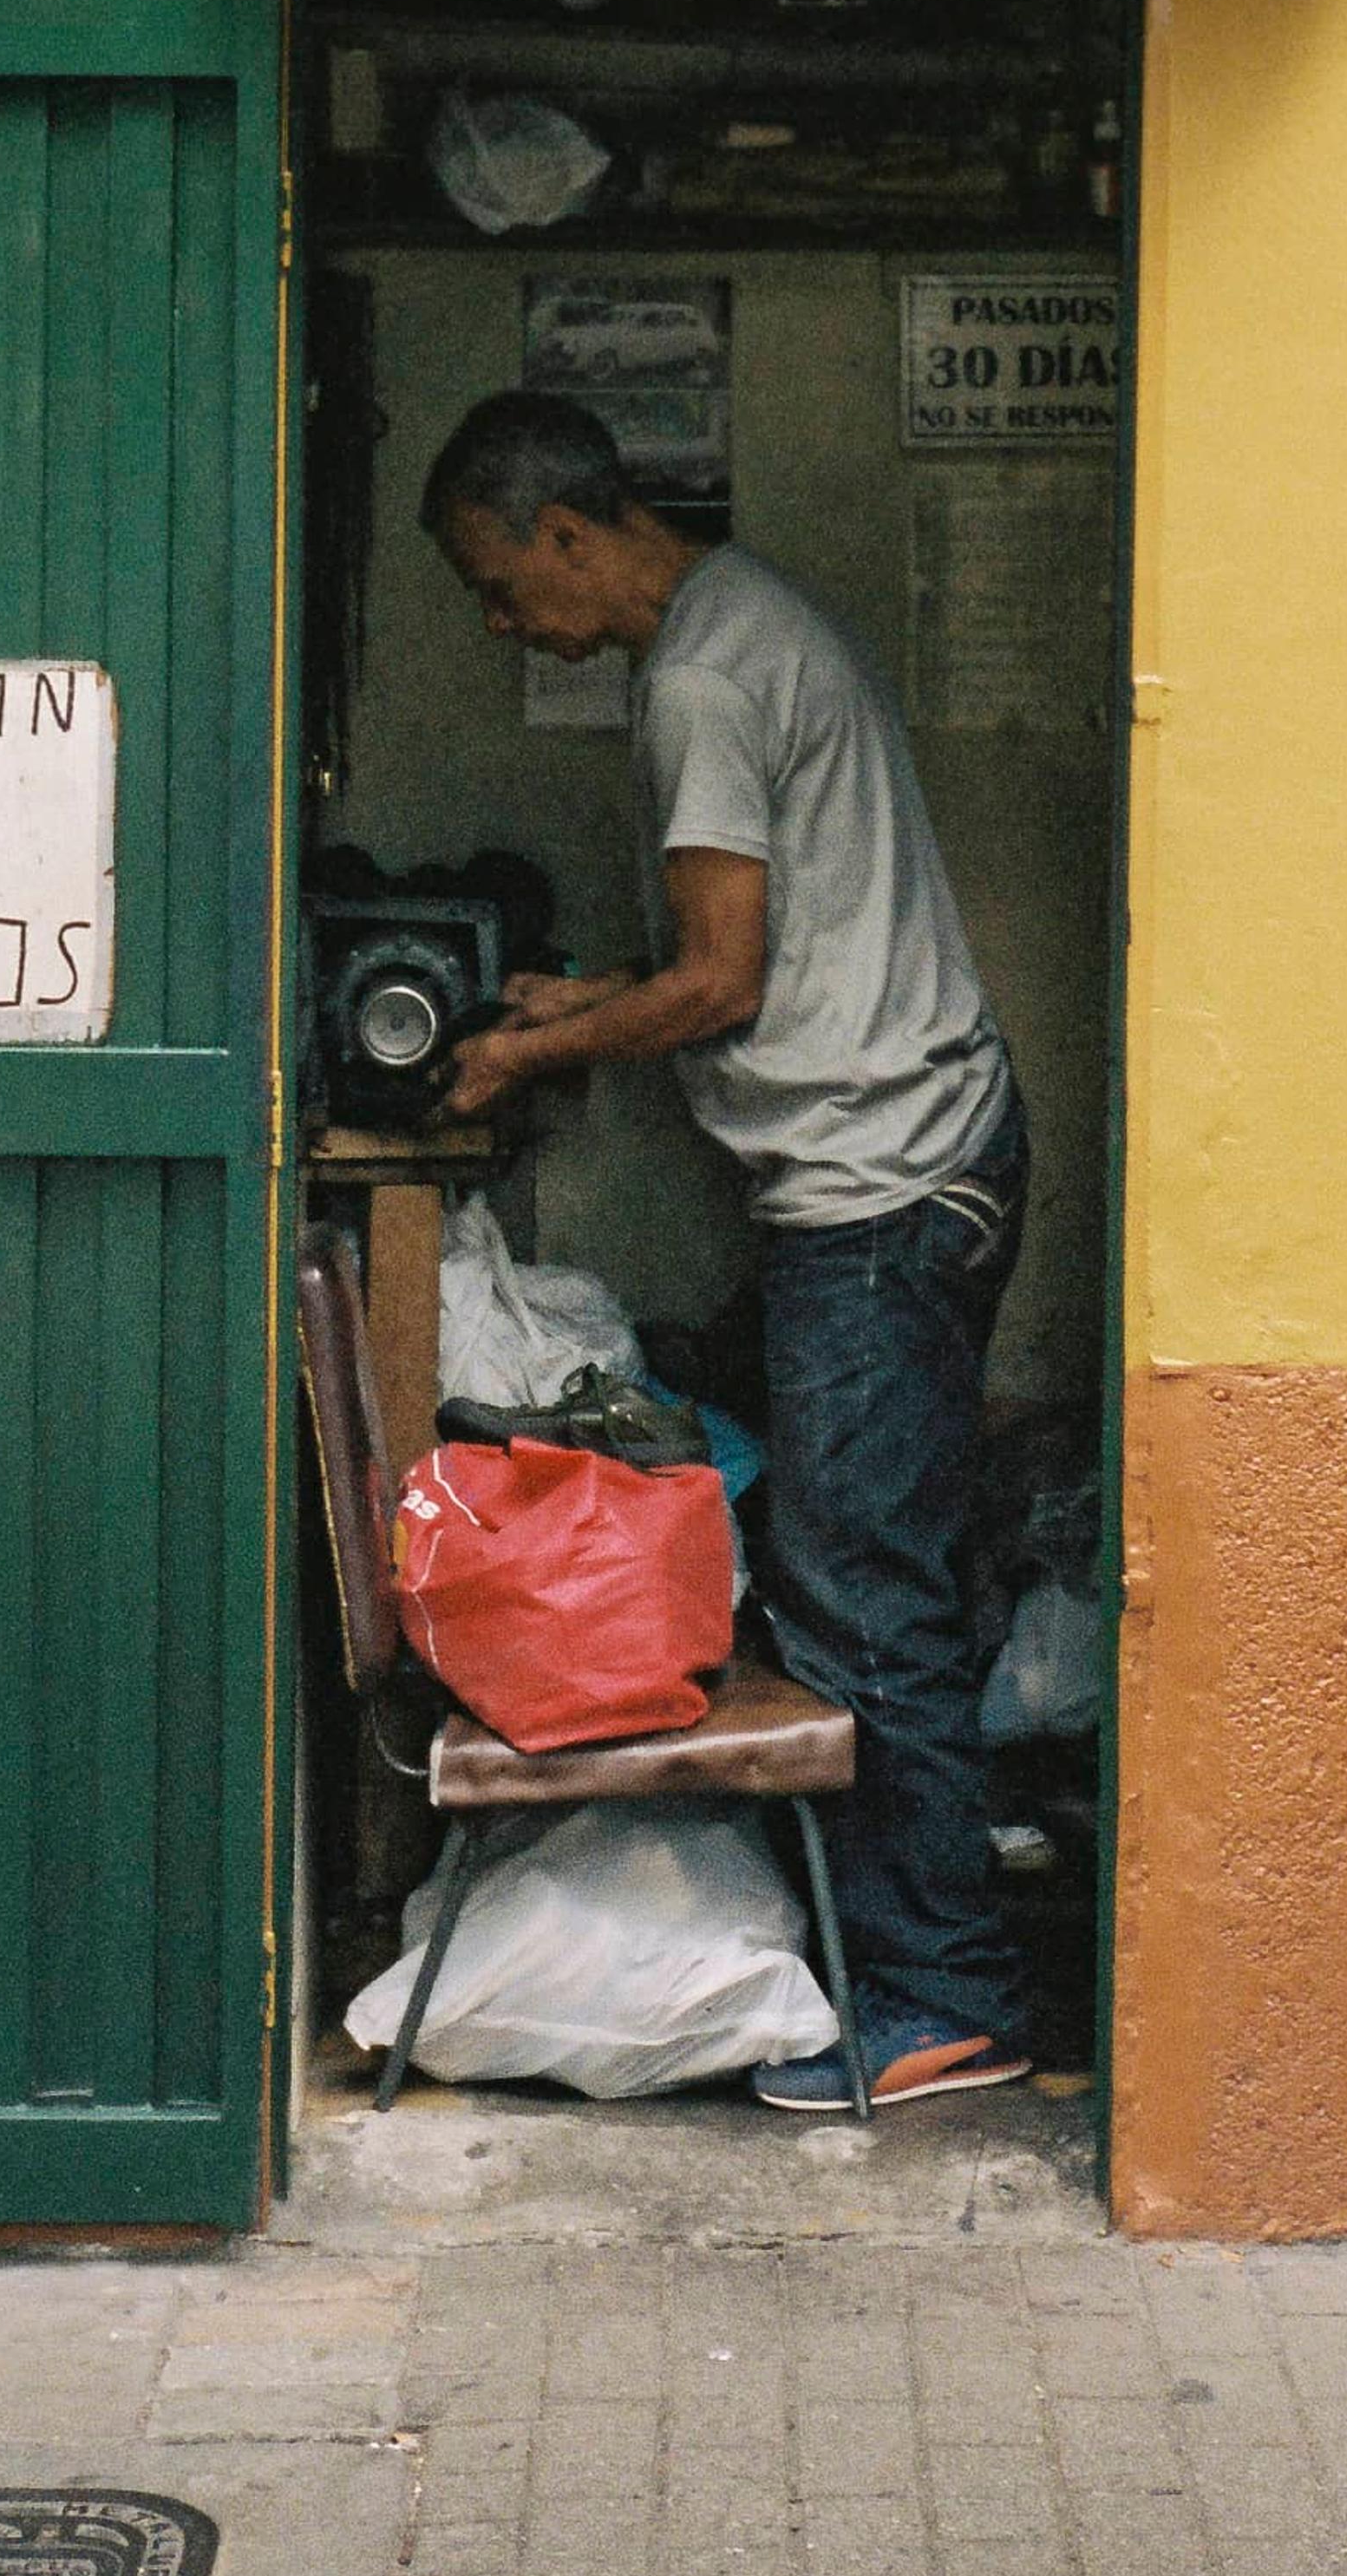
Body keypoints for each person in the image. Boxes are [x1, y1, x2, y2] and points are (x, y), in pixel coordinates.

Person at [424, 389, 1030, 2114]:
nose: (502, 622)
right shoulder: (746, 614)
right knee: (858, 1561)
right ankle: (910, 1936)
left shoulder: (697, 676)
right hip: (931, 1153)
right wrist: (589, 989)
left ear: (567, 531)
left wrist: (533, 1050)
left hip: (878, 1188)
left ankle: (943, 1995)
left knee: (861, 1598)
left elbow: (723, 979)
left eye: (500, 583)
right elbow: (746, 937)